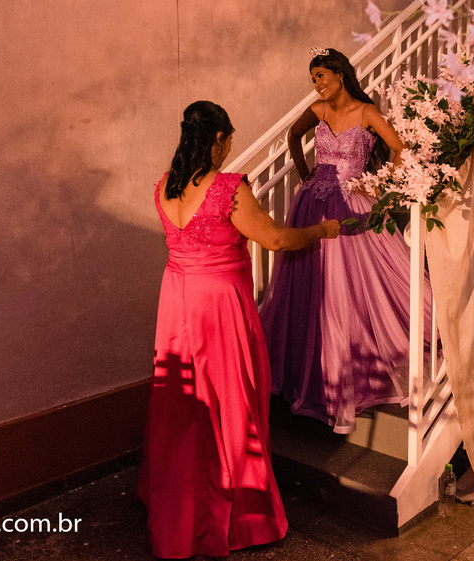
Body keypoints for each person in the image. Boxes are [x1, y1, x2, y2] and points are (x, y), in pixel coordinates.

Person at [139, 100, 340, 559]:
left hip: (176, 300)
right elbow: (275, 239)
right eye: (228, 140)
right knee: (230, 399)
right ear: (217, 140)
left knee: (183, 403)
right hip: (218, 306)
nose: (229, 148)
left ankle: (178, 507)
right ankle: (239, 514)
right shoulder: (228, 188)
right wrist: (321, 230)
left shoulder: (165, 186)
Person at [259, 48, 433, 434]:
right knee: (311, 285)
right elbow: (293, 135)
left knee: (348, 285)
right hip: (313, 203)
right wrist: (305, 172)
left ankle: (350, 372)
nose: (316, 84)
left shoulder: (367, 112)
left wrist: (379, 182)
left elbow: (400, 148)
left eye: (321, 76)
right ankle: (316, 370)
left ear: (340, 74)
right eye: (313, 79)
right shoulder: (318, 110)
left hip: (352, 202)